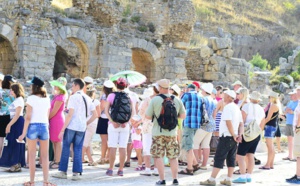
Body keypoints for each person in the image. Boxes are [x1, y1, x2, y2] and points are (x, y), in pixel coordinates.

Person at [52, 78, 97, 181]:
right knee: (77, 148)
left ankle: (63, 171)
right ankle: (76, 173)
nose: (71, 87)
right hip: (81, 127)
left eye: (72, 85)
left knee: (66, 147)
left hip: (72, 126)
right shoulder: (88, 98)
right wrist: (86, 123)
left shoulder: (73, 97)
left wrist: (62, 129)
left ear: (77, 86)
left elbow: (70, 114)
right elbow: (95, 114)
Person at [145, 79, 186, 185]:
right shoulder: (176, 99)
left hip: (158, 133)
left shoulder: (155, 100)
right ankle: (175, 179)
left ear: (160, 88)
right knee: (173, 156)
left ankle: (162, 180)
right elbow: (183, 116)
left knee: (158, 156)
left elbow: (148, 116)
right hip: (172, 133)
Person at [200, 90, 243, 186]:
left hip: (227, 136)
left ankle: (212, 179)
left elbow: (228, 122)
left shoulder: (227, 107)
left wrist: (234, 134)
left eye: (225, 96)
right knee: (231, 158)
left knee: (219, 157)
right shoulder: (236, 108)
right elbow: (241, 124)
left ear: (228, 97)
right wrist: (239, 135)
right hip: (233, 137)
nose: (223, 97)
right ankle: (228, 179)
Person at [18, 76, 55, 186]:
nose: (30, 86)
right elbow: (47, 116)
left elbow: (28, 117)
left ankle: (32, 181)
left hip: (33, 126)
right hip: (44, 126)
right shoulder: (47, 99)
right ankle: (45, 181)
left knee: (32, 156)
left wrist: (23, 133)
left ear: (35, 86)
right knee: (45, 156)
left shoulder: (30, 99)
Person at [232, 91, 265, 183]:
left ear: (251, 98)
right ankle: (249, 175)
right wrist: (258, 132)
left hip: (246, 133)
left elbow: (242, 120)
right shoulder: (261, 109)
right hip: (256, 133)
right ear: (258, 100)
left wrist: (239, 134)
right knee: (251, 155)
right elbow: (263, 123)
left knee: (240, 155)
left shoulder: (246, 106)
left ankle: (242, 176)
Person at [105, 77, 135, 176]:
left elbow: (106, 111)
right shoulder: (129, 96)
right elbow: (133, 112)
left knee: (112, 147)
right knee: (123, 147)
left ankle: (110, 169)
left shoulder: (111, 95)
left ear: (116, 85)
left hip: (113, 125)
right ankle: (121, 169)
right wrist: (127, 122)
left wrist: (112, 121)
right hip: (125, 126)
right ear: (126, 86)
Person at [0, 83, 26, 172]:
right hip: (14, 121)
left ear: (15, 90)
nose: (10, 91)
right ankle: (13, 163)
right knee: (11, 142)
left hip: (17, 122)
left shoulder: (19, 100)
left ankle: (16, 163)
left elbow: (17, 115)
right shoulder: (16, 100)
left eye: (11, 90)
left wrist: (9, 125)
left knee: (16, 142)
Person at [178, 84, 202, 176]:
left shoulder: (186, 95)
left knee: (188, 146)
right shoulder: (200, 96)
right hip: (197, 123)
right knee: (189, 144)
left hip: (188, 123)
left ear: (188, 89)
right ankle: (195, 164)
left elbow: (179, 106)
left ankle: (189, 168)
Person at [139, 86, 159, 176]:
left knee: (147, 148)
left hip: (148, 125)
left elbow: (141, 112)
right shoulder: (163, 100)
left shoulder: (148, 99)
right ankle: (156, 169)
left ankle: (147, 169)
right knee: (157, 148)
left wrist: (143, 120)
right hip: (159, 127)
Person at [48, 78, 67, 169]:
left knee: (57, 141)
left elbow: (55, 111)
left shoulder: (60, 97)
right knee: (54, 141)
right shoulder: (57, 96)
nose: (54, 86)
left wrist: (47, 118)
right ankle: (56, 159)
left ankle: (58, 161)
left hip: (57, 119)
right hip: (54, 119)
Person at [259, 91, 280, 170]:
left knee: (269, 146)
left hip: (269, 127)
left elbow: (268, 118)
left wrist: (261, 125)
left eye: (270, 97)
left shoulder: (273, 106)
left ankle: (268, 164)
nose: (269, 98)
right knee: (271, 146)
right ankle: (270, 164)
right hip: (272, 126)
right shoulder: (275, 105)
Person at [96, 80, 114, 164]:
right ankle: (108, 157)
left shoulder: (104, 96)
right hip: (111, 119)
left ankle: (102, 157)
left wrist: (98, 114)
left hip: (103, 118)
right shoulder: (114, 96)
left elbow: (102, 107)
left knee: (104, 140)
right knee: (110, 139)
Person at [82, 84, 100, 166]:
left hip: (84, 120)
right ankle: (80, 158)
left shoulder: (84, 100)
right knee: (86, 142)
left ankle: (90, 159)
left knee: (87, 141)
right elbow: (98, 114)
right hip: (92, 122)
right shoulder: (96, 102)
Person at [286, 86, 300, 183]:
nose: (297, 93)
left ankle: (298, 176)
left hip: (299, 130)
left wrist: (298, 127)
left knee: (299, 154)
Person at [0, 75, 15, 158]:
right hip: (11, 116)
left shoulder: (0, 92)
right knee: (9, 136)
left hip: (1, 115)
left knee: (1, 137)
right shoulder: (13, 93)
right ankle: (8, 157)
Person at [283, 90, 298, 161]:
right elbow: (285, 111)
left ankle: (296, 156)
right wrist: (287, 111)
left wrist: (291, 111)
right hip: (288, 122)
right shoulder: (290, 102)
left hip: (294, 124)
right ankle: (290, 155)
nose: (290, 96)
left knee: (296, 140)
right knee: (289, 140)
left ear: (295, 94)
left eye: (292, 95)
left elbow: (297, 113)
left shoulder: (299, 103)